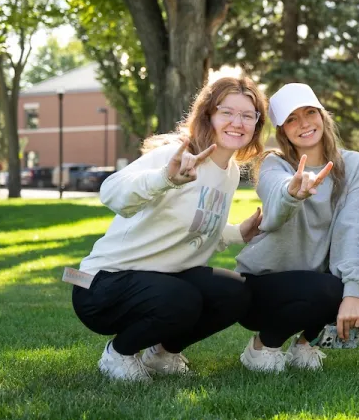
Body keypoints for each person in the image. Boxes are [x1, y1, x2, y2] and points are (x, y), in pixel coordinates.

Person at [71, 77, 269, 382]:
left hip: (160, 280)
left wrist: (237, 234)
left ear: (256, 124)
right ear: (208, 115)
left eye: (247, 115)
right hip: (103, 284)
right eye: (227, 112)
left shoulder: (228, 173)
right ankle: (119, 354)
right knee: (183, 299)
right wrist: (165, 178)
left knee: (236, 293)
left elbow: (195, 231)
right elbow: (111, 191)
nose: (237, 122)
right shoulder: (177, 154)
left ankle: (161, 354)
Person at [235, 83, 359, 373]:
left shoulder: (352, 164)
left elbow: (350, 228)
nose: (304, 124)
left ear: (323, 116)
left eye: (310, 112)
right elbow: (273, 214)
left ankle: (304, 346)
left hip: (314, 280)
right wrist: (293, 193)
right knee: (327, 290)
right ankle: (262, 347)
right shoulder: (273, 165)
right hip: (263, 285)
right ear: (282, 131)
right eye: (291, 119)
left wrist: (353, 292)